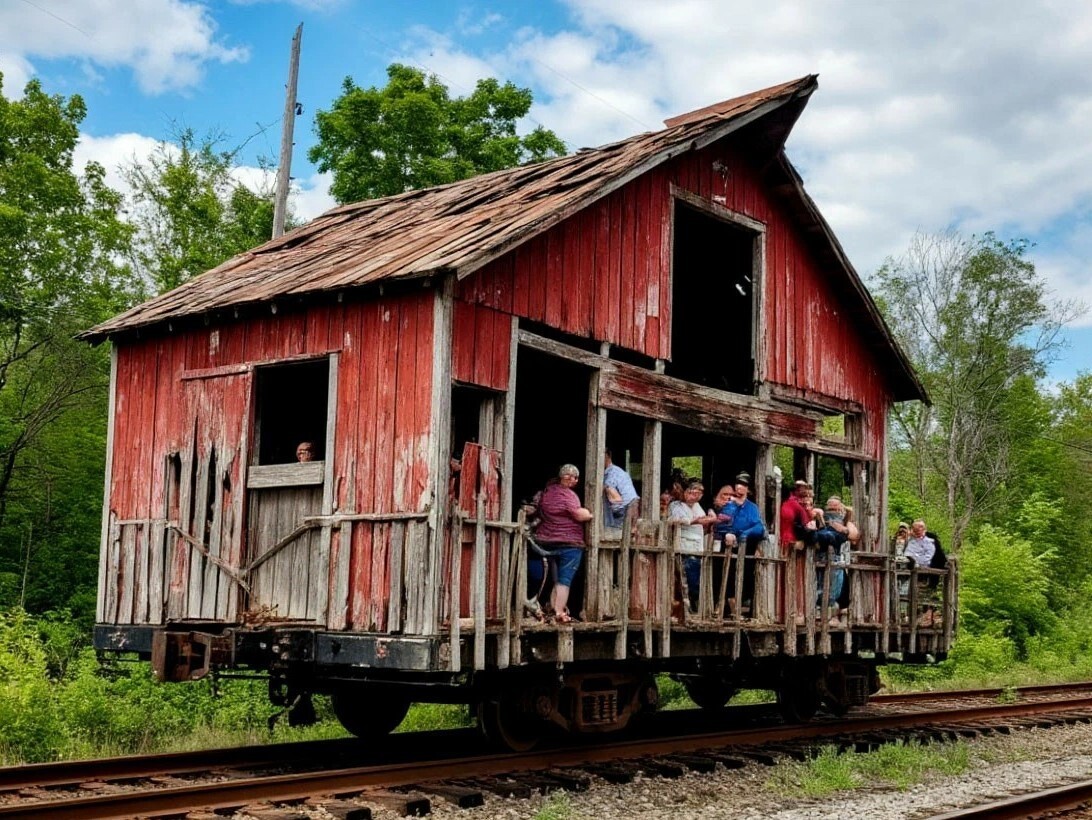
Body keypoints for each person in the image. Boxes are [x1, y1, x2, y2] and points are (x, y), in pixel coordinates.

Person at [528, 464, 593, 624]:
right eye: (570, 476)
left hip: (546, 541)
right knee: (564, 579)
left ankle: (551, 607)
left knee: (555, 577)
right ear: (562, 476)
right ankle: (558, 611)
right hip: (568, 543)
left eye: (576, 477)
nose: (573, 479)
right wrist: (590, 514)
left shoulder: (547, 492)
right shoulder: (567, 495)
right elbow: (579, 515)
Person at [720, 474, 767, 614]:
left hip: (747, 545)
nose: (740, 487)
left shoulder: (752, 507)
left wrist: (746, 535)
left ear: (748, 489)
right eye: (738, 483)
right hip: (730, 544)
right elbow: (721, 522)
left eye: (743, 484)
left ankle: (743, 606)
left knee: (747, 575)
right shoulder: (729, 505)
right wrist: (726, 533)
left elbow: (759, 528)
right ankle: (728, 606)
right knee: (727, 574)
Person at [668, 478, 717, 611]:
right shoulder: (676, 505)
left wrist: (710, 521)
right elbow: (678, 521)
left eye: (699, 493)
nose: (695, 496)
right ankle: (686, 610)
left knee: (696, 581)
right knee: (687, 580)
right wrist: (697, 521)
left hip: (698, 547)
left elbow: (703, 525)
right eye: (692, 492)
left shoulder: (698, 506)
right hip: (684, 547)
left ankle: (694, 608)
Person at [904, 519, 939, 628]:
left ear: (924, 529)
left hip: (925, 573)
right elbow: (908, 554)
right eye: (915, 529)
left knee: (925, 596)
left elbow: (927, 558)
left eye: (920, 528)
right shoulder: (911, 542)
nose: (918, 531)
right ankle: (912, 617)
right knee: (910, 595)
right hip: (911, 573)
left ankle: (925, 618)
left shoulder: (930, 542)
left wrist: (916, 559)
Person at [602, 448, 639, 529]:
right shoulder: (614, 472)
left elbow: (619, 500)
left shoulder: (612, 474)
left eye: (601, 454)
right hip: (624, 513)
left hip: (620, 516)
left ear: (607, 456)